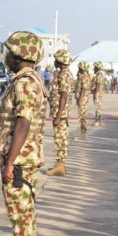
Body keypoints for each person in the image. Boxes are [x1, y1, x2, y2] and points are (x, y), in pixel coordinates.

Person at [0, 31, 47, 236]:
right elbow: (15, 119)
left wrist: (10, 163)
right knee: (24, 213)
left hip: (20, 160)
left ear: (21, 55)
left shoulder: (25, 82)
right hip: (22, 157)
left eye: (11, 53)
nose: (7, 57)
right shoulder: (26, 79)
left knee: (20, 214)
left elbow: (24, 122)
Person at [46, 49, 74, 177]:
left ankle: (60, 166)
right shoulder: (62, 74)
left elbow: (64, 95)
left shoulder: (64, 75)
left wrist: (58, 116)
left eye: (56, 59)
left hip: (60, 113)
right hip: (59, 112)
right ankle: (60, 164)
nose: (54, 61)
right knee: (60, 138)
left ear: (61, 61)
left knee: (60, 139)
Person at [75, 62, 92, 140]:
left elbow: (84, 89)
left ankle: (83, 134)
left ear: (82, 68)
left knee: (83, 117)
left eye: (79, 67)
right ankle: (82, 134)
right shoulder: (82, 76)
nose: (78, 69)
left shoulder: (84, 77)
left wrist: (80, 100)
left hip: (83, 100)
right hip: (83, 100)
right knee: (82, 117)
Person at [91, 61, 105, 126]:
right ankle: (97, 120)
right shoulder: (100, 74)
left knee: (97, 107)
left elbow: (98, 84)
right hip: (99, 92)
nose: (94, 68)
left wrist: (95, 93)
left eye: (95, 67)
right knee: (97, 107)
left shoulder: (99, 74)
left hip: (98, 93)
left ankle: (98, 121)